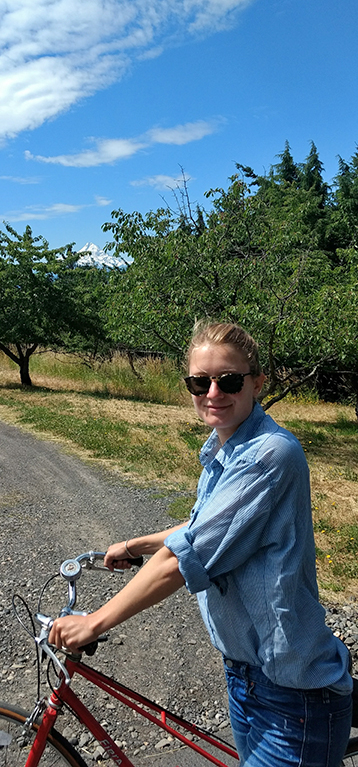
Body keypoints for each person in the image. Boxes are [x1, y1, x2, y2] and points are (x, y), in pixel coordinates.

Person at [50, 321, 353, 766]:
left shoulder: (269, 454)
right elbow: (201, 527)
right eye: (199, 381)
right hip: (245, 678)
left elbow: (182, 558)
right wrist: (135, 545)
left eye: (228, 380)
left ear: (256, 382)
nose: (213, 392)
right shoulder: (223, 450)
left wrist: (95, 622)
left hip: (295, 696)